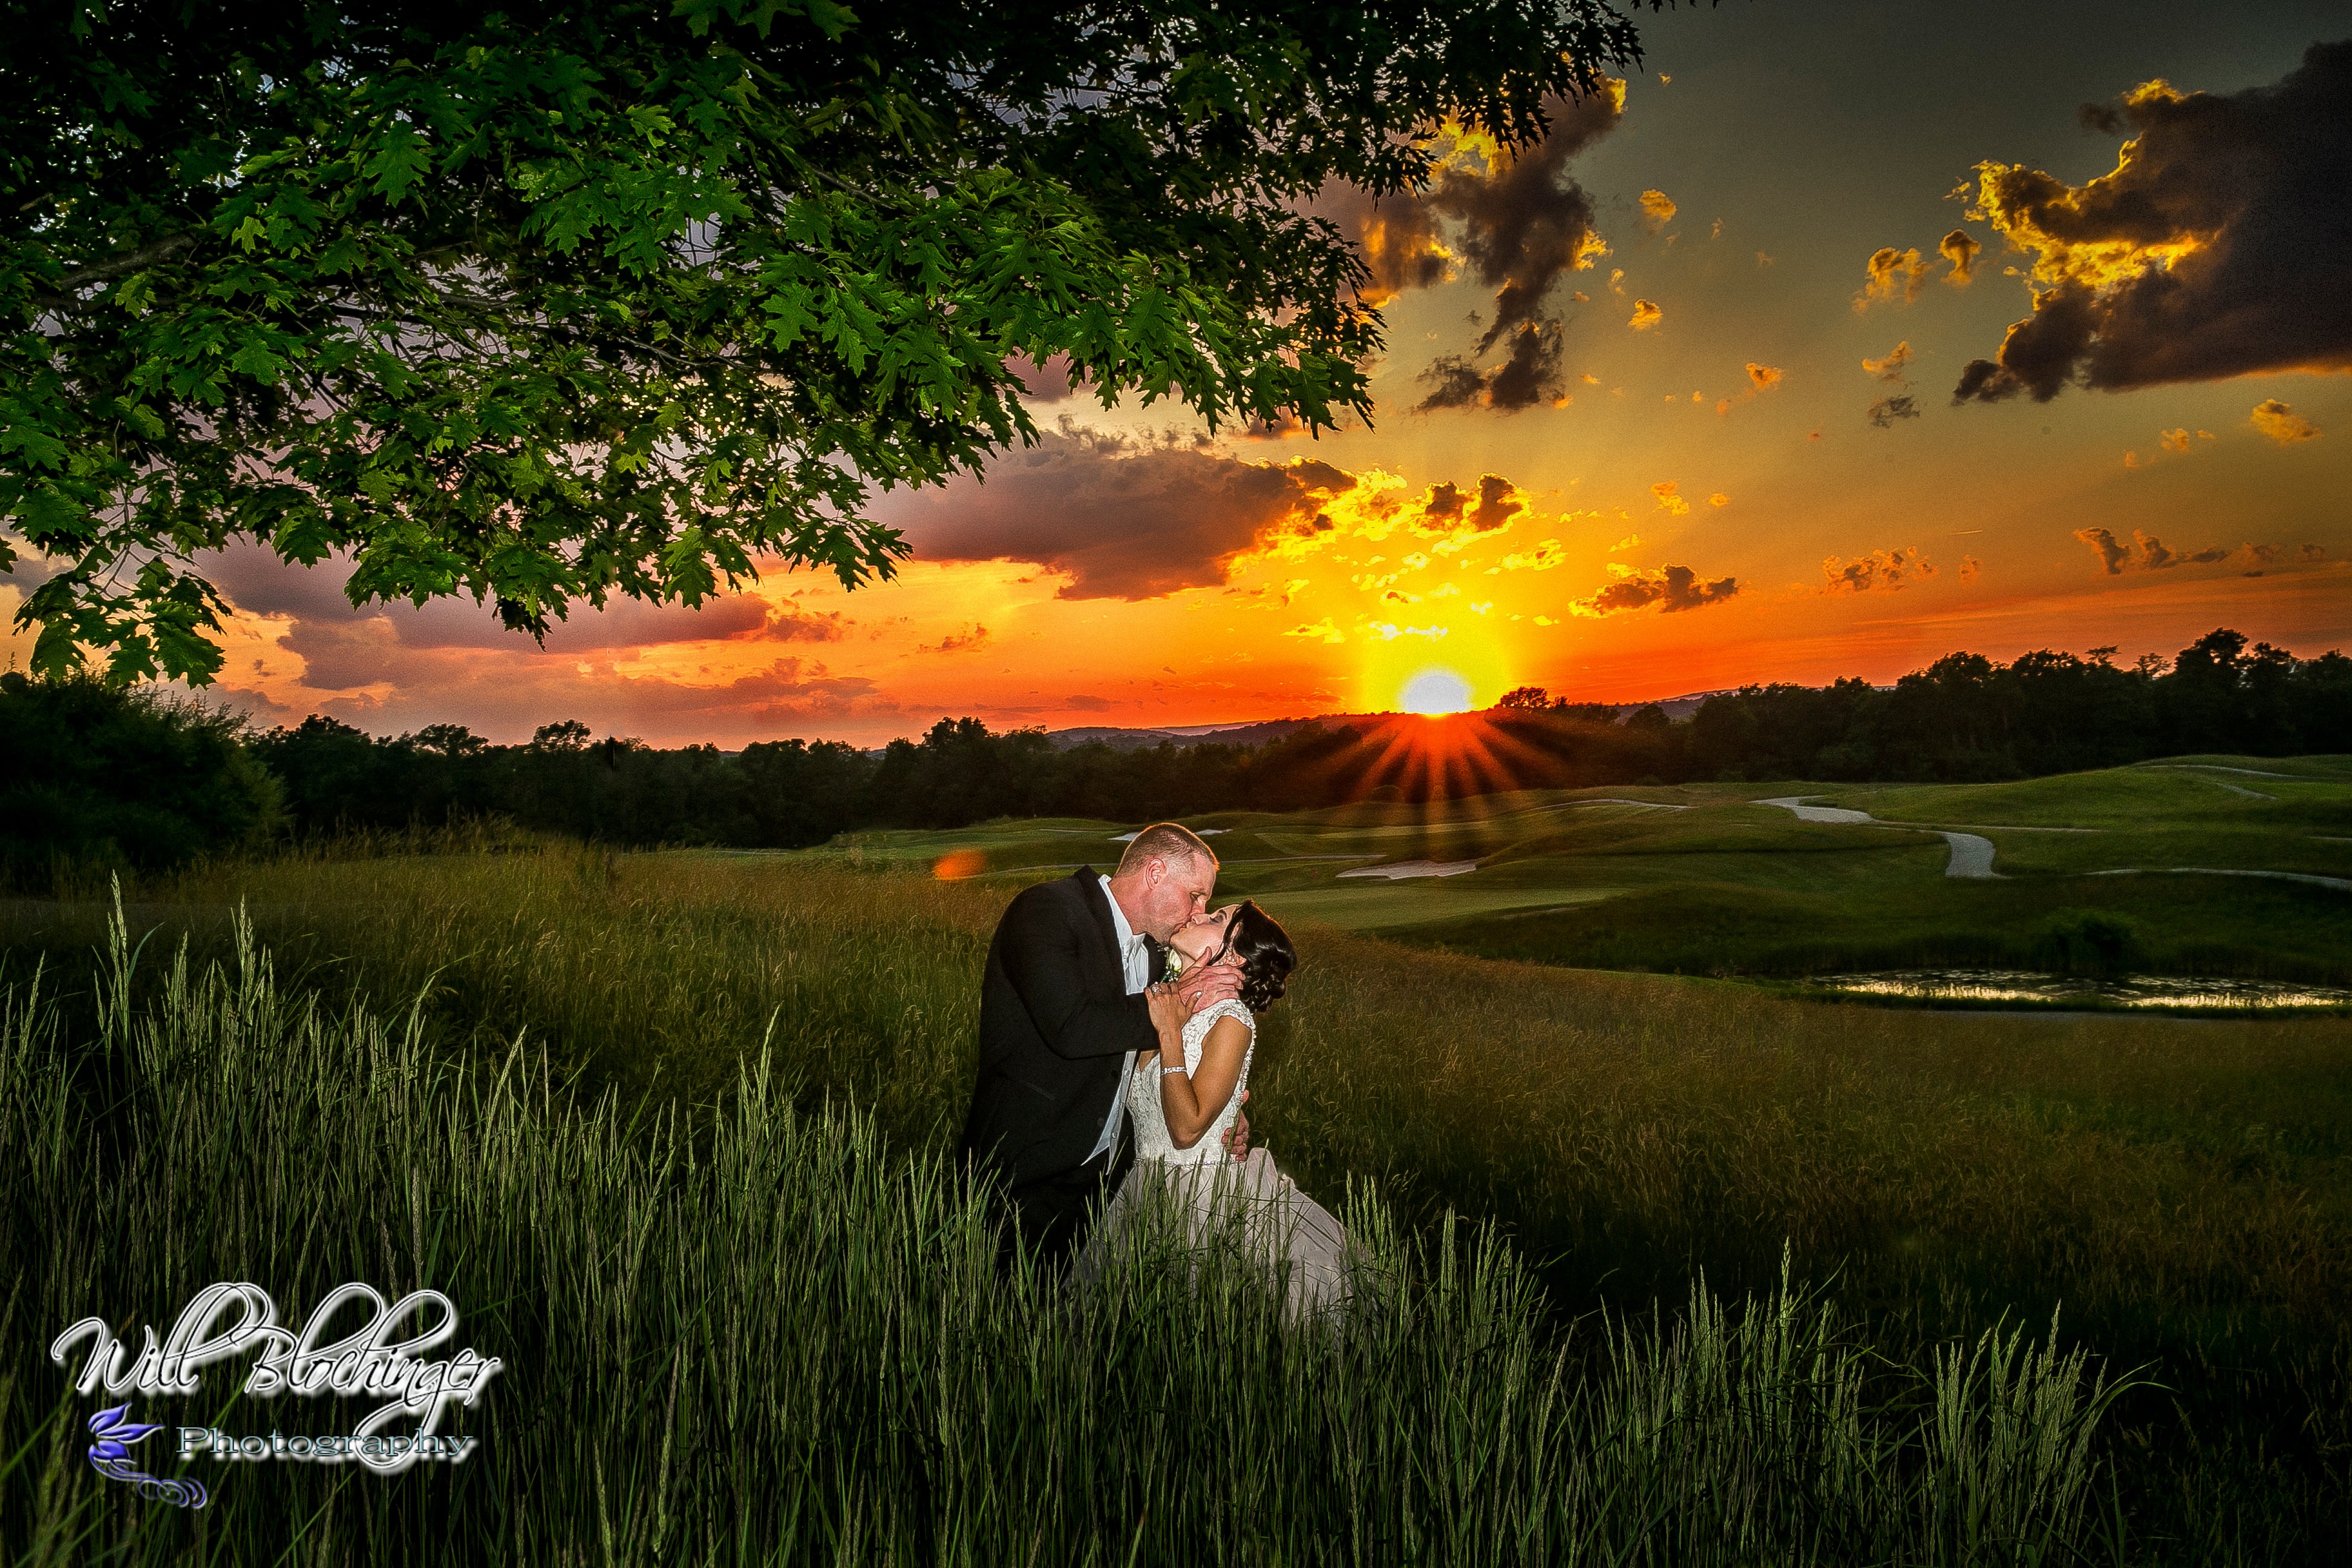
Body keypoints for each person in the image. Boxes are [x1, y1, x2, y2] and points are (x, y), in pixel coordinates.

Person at [957, 823, 1248, 1272]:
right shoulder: (1047, 910)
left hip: (1106, 1185)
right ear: (1155, 873)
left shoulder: (1157, 955)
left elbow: (1151, 1062)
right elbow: (1072, 1027)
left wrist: (1223, 1112)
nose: (1198, 912)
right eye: (1195, 896)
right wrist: (1176, 1003)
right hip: (1023, 1175)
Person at [1077, 898, 1354, 1322]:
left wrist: (1170, 1033)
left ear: (1234, 957)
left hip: (1203, 1202)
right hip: (1141, 1193)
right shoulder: (1164, 995)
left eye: (1217, 918)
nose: (1199, 914)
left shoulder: (1231, 1021)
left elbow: (1186, 1130)